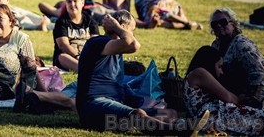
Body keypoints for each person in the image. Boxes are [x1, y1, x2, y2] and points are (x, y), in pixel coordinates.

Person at [75, 11, 206, 134]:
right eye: (132, 31)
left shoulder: (116, 50)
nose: (133, 35)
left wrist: (141, 100)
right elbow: (133, 45)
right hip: (92, 108)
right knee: (137, 114)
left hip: (112, 110)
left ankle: (139, 124)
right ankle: (180, 131)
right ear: (122, 27)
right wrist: (117, 27)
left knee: (170, 113)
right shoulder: (97, 43)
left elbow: (118, 85)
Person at [209, 8, 264, 107]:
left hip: (246, 100)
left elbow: (259, 74)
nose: (218, 25)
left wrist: (250, 98)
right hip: (228, 97)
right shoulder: (216, 45)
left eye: (223, 22)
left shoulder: (242, 45)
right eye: (214, 24)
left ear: (233, 24)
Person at [52, 0, 99, 72]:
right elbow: (63, 45)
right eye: (69, 1)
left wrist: (88, 57)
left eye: (75, 1)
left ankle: (90, 68)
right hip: (69, 57)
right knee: (62, 57)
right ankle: (87, 70)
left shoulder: (90, 20)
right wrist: (78, 56)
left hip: (87, 56)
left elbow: (95, 42)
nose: (72, 5)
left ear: (82, 3)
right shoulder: (61, 22)